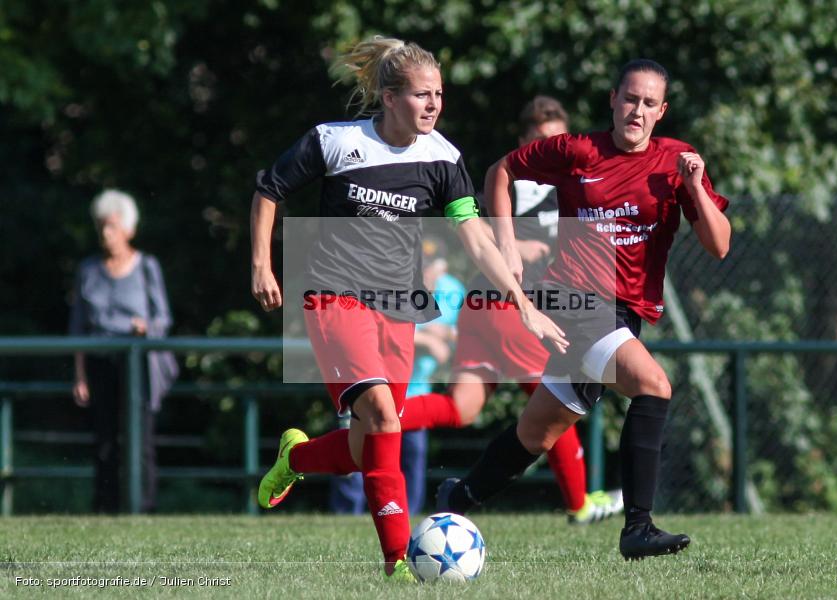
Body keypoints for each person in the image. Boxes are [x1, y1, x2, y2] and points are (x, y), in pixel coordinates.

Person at [250, 36, 566, 581]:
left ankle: (295, 459)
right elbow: (270, 189)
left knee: (369, 444)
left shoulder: (443, 158)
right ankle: (397, 561)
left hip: (400, 306)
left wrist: (522, 303)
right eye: (422, 94)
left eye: (439, 94)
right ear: (390, 97)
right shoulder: (336, 141)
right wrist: (261, 264)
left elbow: (475, 237)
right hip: (335, 296)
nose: (434, 104)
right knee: (381, 416)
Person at [436, 59, 731, 560]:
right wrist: (505, 244)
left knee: (537, 432)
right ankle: (638, 527)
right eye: (630, 98)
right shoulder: (577, 150)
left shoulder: (675, 161)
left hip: (625, 313)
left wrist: (696, 188)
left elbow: (719, 246)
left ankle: (458, 497)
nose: (637, 111)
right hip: (573, 301)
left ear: (662, 111)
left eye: (649, 103)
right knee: (654, 386)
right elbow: (500, 171)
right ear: (613, 99)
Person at [397, 96, 623, 524]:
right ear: (524, 143)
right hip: (509, 309)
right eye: (540, 141)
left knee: (461, 407)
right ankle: (579, 505)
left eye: (558, 141)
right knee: (556, 405)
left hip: (482, 308)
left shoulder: (574, 187)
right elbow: (466, 221)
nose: (551, 149)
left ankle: (379, 415)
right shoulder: (519, 180)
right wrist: (513, 244)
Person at [329, 237, 465, 515]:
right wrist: (427, 338)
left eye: (429, 266)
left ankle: (407, 518)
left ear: (442, 268)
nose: (424, 272)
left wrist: (447, 335)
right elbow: (373, 332)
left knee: (412, 459)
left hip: (415, 391)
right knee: (358, 450)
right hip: (370, 388)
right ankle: (346, 515)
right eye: (419, 265)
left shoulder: (453, 291)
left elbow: (465, 332)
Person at [69, 189, 174, 513]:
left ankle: (144, 506)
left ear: (129, 229)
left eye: (112, 226)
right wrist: (80, 376)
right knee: (104, 439)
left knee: (140, 439)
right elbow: (78, 327)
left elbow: (163, 318)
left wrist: (146, 328)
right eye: (102, 226)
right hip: (100, 361)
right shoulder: (88, 270)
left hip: (137, 362)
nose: (106, 233)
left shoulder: (147, 267)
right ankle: (105, 506)